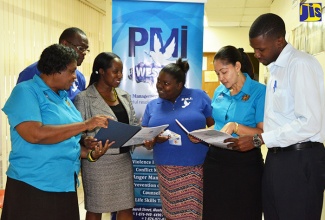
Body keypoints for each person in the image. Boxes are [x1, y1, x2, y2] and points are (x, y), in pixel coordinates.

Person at [1, 44, 113, 220]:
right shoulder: (25, 91)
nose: (75, 77)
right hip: (33, 186)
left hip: (64, 185)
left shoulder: (63, 99)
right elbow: (35, 134)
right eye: (71, 71)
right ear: (55, 70)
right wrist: (84, 125)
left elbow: (67, 141)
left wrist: (90, 154)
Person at [231, 13, 325, 220]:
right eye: (254, 48)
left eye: (261, 49)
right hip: (276, 159)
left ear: (279, 41)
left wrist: (260, 138)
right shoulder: (274, 69)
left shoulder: (300, 65)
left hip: (300, 160)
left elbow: (309, 122)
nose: (255, 54)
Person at [141, 58, 214, 220]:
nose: (159, 86)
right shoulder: (152, 105)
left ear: (179, 85)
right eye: (158, 81)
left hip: (195, 167)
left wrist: (202, 136)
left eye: (165, 83)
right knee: (171, 214)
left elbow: (214, 126)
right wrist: (152, 140)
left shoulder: (199, 96)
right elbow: (145, 137)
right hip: (166, 168)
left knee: (192, 215)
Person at [201, 46, 266, 220]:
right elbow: (218, 126)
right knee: (214, 213)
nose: (221, 78)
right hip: (216, 162)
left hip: (245, 163)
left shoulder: (259, 92)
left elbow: (263, 132)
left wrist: (235, 126)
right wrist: (202, 134)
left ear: (237, 67)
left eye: (224, 72)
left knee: (244, 213)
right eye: (217, 74)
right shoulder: (219, 92)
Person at [74, 52, 138, 220]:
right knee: (96, 209)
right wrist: (84, 140)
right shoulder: (84, 98)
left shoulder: (124, 96)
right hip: (98, 162)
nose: (120, 75)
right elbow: (77, 131)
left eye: (121, 71)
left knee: (126, 207)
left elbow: (133, 124)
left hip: (123, 161)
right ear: (101, 71)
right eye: (115, 71)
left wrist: (143, 136)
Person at [17, 27, 88, 101]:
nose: (84, 53)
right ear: (64, 44)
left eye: (86, 50)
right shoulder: (30, 73)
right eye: (81, 48)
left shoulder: (80, 78)